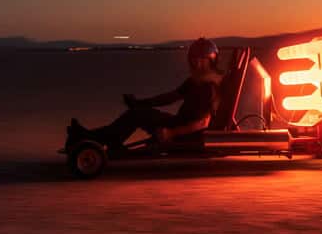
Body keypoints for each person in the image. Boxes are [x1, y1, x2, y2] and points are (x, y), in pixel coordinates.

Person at [66, 38, 223, 154]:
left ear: (211, 61)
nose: (196, 64)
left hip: (187, 134)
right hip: (178, 122)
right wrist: (141, 103)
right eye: (193, 59)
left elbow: (203, 122)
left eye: (201, 60)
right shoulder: (196, 80)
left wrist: (171, 133)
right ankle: (94, 137)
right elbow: (171, 97)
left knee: (137, 114)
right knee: (138, 112)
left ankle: (89, 138)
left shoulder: (209, 86)